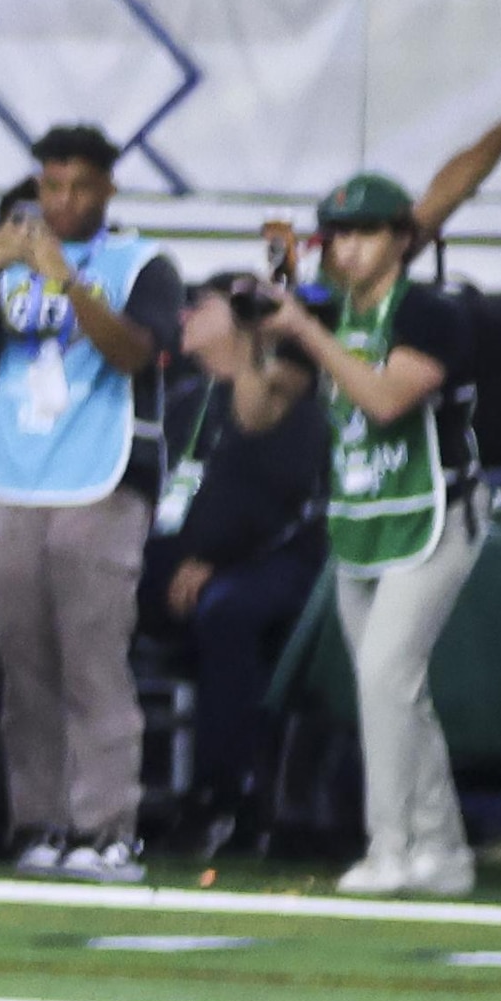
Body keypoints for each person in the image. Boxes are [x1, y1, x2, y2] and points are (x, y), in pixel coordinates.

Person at [0, 126, 180, 880]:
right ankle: (38, 822)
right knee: (23, 663)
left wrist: (66, 278)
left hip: (101, 478)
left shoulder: (141, 263)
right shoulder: (12, 262)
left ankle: (108, 829)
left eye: (78, 187)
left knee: (92, 660)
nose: (62, 202)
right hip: (18, 479)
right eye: (50, 186)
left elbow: (137, 352)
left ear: (107, 190)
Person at [256, 172, 490, 896]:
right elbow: (261, 408)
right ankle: (441, 848)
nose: (348, 250)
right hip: (362, 517)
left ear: (402, 239)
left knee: (388, 674)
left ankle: (389, 848)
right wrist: (271, 318)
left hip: (436, 512)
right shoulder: (325, 313)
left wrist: (306, 331)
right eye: (338, 236)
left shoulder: (429, 312)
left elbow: (386, 399)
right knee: (390, 687)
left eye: (365, 234)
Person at [155, 270, 331, 856]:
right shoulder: (182, 400)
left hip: (270, 564)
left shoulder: (288, 395)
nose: (184, 318)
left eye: (199, 307)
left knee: (226, 612)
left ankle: (221, 795)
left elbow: (282, 498)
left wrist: (214, 559)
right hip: (180, 561)